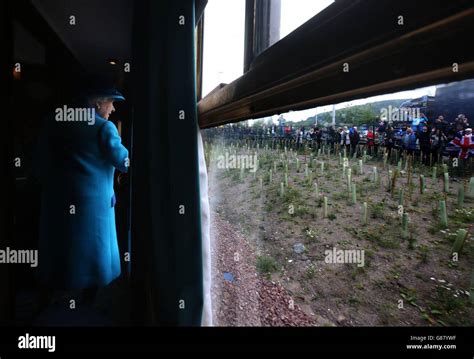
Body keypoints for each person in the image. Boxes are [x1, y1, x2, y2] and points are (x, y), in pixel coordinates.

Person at [34, 76, 129, 309]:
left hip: (57, 199)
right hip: (92, 205)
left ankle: (52, 292)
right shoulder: (104, 128)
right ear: (97, 103)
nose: (113, 107)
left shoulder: (54, 120)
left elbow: (40, 160)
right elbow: (123, 162)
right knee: (92, 251)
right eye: (111, 102)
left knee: (61, 244)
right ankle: (87, 299)